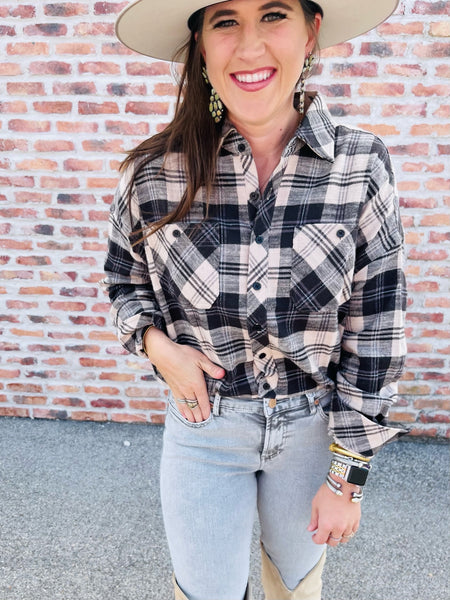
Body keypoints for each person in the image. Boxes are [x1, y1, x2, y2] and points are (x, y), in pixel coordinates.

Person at [102, 0, 407, 598]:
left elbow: (377, 329)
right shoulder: (154, 172)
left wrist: (346, 480)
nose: (249, 46)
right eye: (225, 21)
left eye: (273, 15)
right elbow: (123, 282)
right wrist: (158, 347)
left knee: (296, 589)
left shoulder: (360, 164)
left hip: (313, 431)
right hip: (204, 426)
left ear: (310, 32)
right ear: (201, 44)